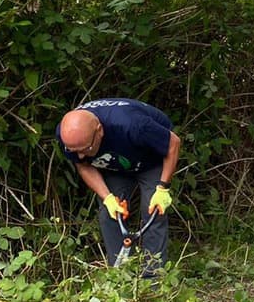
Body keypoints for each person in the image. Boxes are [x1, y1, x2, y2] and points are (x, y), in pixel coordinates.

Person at [56, 98, 181, 273]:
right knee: (111, 213)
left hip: (151, 160)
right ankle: (120, 274)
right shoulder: (69, 137)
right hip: (114, 165)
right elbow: (83, 166)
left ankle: (153, 277)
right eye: (75, 151)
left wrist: (163, 188)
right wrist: (107, 197)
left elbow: (173, 143)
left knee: (153, 210)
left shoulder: (133, 124)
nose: (81, 156)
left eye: (86, 149)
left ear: (99, 131)